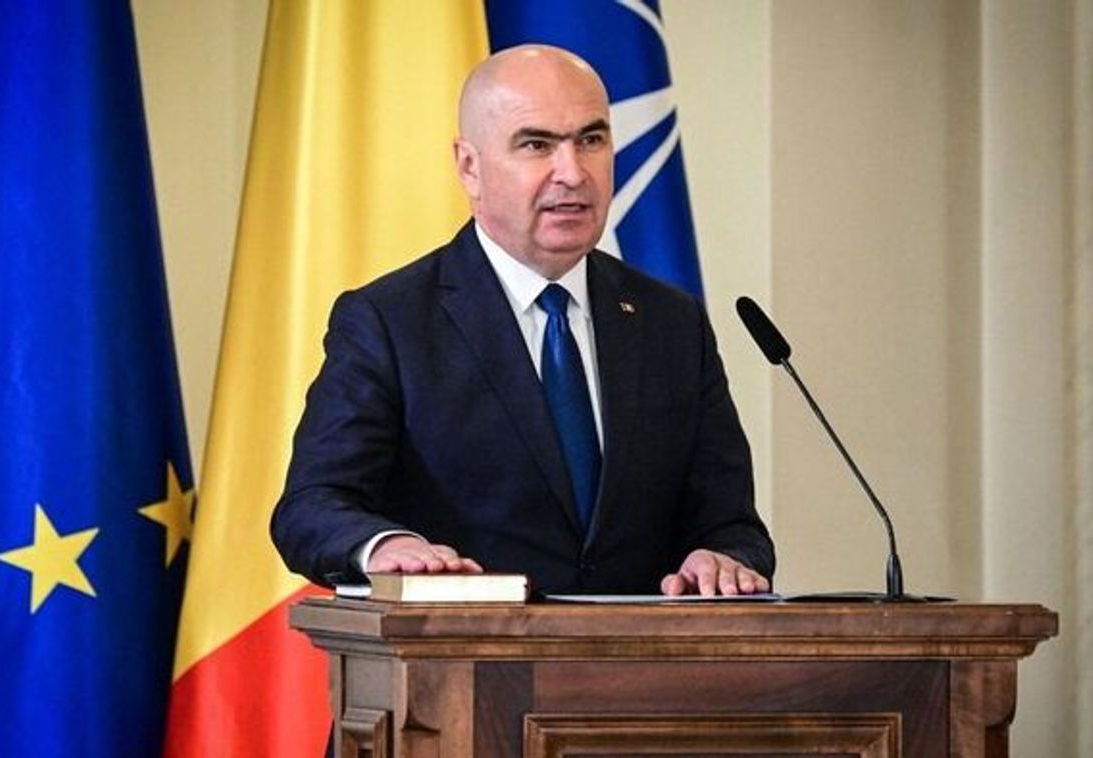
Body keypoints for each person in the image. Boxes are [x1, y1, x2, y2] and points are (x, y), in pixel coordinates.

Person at [271, 44, 773, 596]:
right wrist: (386, 546)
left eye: (591, 140)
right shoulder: (390, 322)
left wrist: (723, 557)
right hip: (465, 646)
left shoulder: (672, 321)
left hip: (641, 650)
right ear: (470, 166)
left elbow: (732, 525)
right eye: (537, 144)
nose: (573, 173)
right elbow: (311, 506)